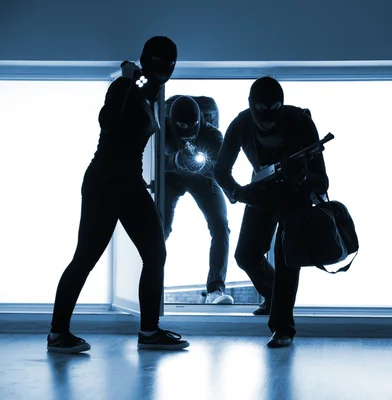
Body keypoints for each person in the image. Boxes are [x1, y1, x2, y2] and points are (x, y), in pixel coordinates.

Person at [47, 36, 189, 353]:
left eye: (169, 64)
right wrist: (126, 78)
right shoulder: (127, 87)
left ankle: (149, 332)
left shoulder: (147, 91)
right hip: (106, 182)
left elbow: (140, 119)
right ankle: (58, 335)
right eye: (158, 62)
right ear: (147, 60)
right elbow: (108, 121)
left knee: (155, 254)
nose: (163, 69)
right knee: (85, 258)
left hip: (130, 183)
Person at [214, 76, 329, 348]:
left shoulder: (301, 122)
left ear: (282, 105)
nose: (267, 119)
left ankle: (283, 328)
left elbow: (321, 178)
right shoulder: (241, 124)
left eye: (273, 110)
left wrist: (301, 177)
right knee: (245, 255)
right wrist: (240, 193)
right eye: (260, 112)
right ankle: (273, 298)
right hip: (260, 194)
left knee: (288, 259)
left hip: (296, 197)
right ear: (251, 107)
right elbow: (220, 170)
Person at [163, 95, 233, 304]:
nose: (188, 130)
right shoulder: (161, 131)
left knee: (220, 226)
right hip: (170, 177)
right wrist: (173, 160)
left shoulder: (212, 135)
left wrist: (232, 191)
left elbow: (221, 169)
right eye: (182, 125)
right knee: (160, 227)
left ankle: (216, 290)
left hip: (203, 178)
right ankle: (150, 282)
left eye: (193, 125)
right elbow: (149, 160)